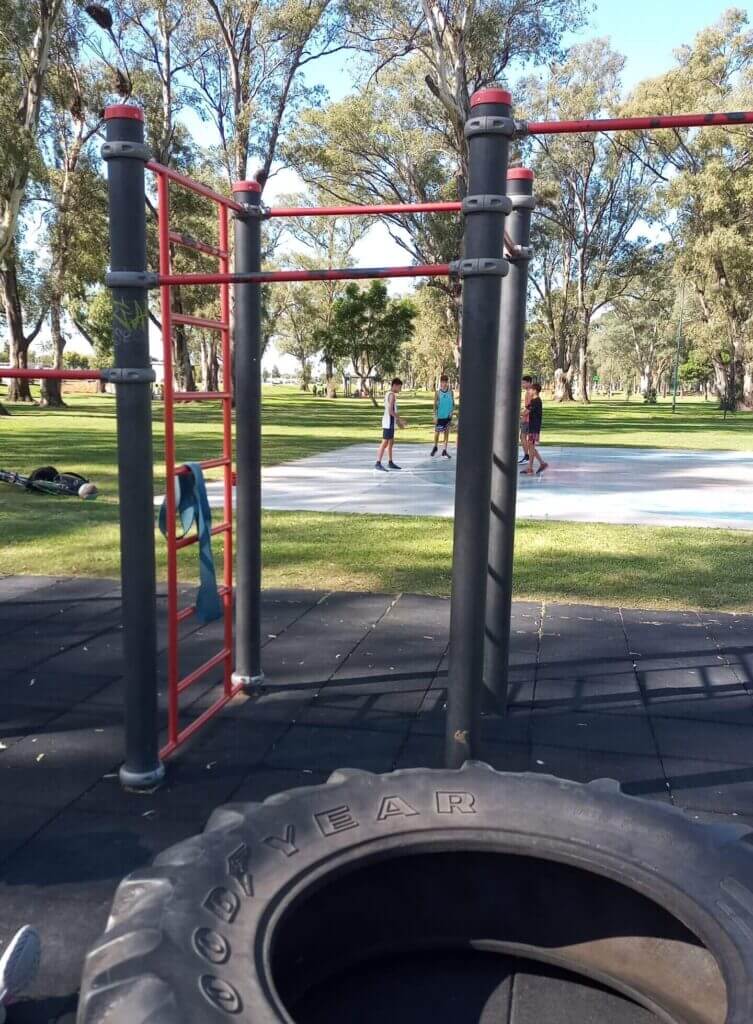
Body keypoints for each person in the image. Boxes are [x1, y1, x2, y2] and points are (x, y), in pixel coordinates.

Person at [375, 377, 406, 471]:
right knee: (385, 442)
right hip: (388, 422)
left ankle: (390, 462)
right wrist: (400, 419)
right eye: (399, 387)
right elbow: (390, 411)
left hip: (390, 422)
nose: (400, 389)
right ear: (395, 385)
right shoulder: (391, 395)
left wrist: (397, 421)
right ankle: (378, 463)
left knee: (391, 442)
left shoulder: (389, 394)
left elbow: (392, 410)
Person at [521, 382, 548, 475]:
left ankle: (535, 466)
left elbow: (525, 412)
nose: (529, 391)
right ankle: (536, 466)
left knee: (531, 446)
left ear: (535, 391)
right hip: (533, 426)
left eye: (531, 390)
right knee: (531, 446)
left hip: (534, 427)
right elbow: (525, 411)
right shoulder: (535, 401)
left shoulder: (536, 401)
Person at [431, 375, 454, 458]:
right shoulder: (438, 393)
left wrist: (451, 412)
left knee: (446, 433)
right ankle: (435, 446)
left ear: (447, 382)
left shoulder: (451, 392)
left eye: (445, 382)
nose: (444, 384)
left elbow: (453, 404)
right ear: (440, 382)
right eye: (442, 382)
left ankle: (444, 450)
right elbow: (434, 405)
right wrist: (434, 415)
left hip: (448, 416)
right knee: (437, 432)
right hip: (440, 416)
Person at [519, 375, 533, 464]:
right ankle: (527, 456)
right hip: (528, 419)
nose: (522, 385)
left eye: (524, 383)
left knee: (523, 437)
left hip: (528, 420)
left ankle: (527, 456)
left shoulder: (529, 393)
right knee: (523, 437)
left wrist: (521, 414)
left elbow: (530, 407)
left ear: (529, 383)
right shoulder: (529, 392)